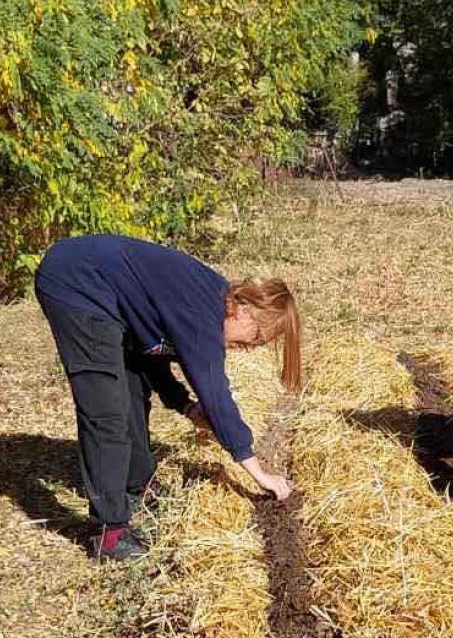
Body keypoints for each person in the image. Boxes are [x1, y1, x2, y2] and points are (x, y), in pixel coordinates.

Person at [34, 234, 302, 561]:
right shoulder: (203, 313)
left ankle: (137, 485)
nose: (249, 348)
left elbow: (150, 356)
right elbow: (216, 395)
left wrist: (185, 406)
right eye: (256, 338)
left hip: (104, 294)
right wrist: (259, 473)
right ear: (243, 310)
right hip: (77, 284)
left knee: (133, 388)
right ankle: (110, 533)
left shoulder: (206, 305)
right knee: (106, 411)